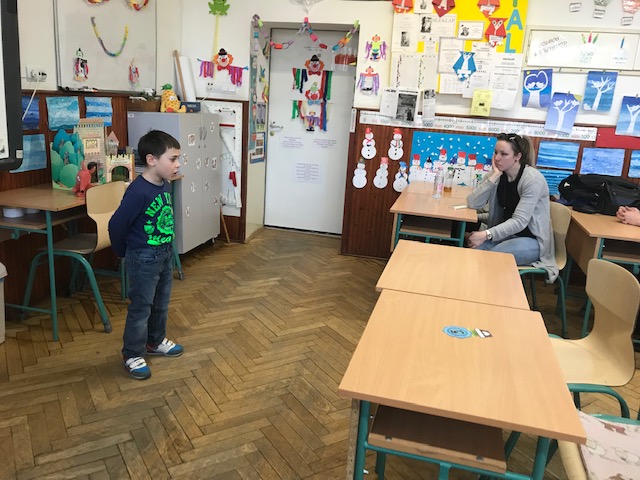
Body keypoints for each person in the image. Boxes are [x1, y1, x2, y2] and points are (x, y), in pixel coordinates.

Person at [109, 130, 184, 380]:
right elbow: (117, 224)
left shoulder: (165, 184)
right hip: (142, 258)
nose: (178, 164)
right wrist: (123, 253)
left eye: (178, 158)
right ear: (152, 160)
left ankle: (155, 341)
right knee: (141, 308)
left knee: (161, 303)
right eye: (172, 159)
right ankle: (132, 353)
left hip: (163, 254)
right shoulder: (137, 191)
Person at [466, 133, 557, 281]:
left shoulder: (532, 179)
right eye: (495, 152)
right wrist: (493, 177)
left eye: (504, 154)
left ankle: (495, 293)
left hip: (532, 240)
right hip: (506, 235)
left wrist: (485, 234)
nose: (497, 158)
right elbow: (473, 203)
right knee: (473, 254)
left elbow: (519, 221)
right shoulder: (497, 175)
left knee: (490, 258)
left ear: (517, 156)